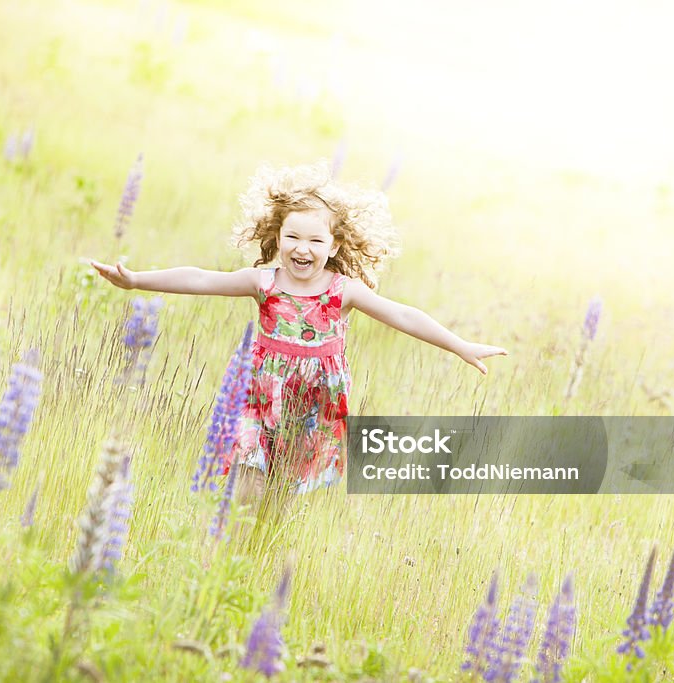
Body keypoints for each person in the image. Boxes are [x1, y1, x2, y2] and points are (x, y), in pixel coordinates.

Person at [91, 162, 507, 505]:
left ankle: (258, 559)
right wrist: (136, 281)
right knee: (246, 489)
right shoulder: (264, 282)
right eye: (292, 236)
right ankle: (226, 554)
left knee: (279, 499)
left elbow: (403, 315)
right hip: (259, 397)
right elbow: (201, 278)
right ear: (277, 237)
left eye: (314, 239)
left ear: (334, 246)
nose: (301, 248)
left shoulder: (343, 291)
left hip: (311, 406)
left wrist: (460, 345)